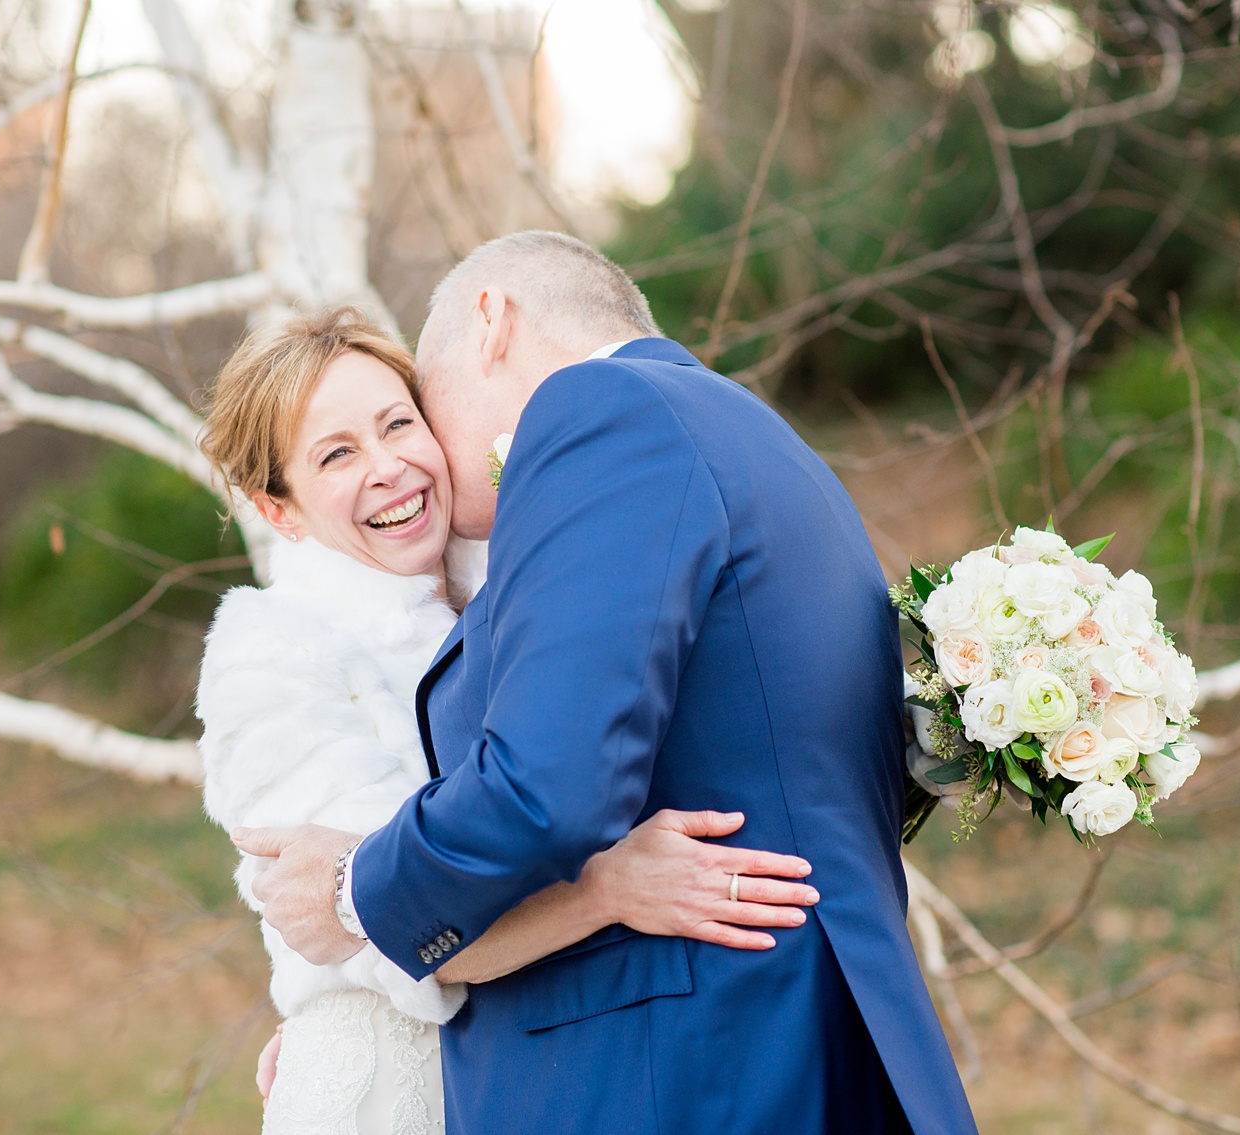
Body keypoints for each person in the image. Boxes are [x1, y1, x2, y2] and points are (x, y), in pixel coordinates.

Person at [239, 232, 980, 1134]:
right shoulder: (753, 433)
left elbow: (546, 787)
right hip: (773, 1027)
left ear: (491, 322)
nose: (415, 456)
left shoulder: (598, 412)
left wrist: (355, 888)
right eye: (337, 453)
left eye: (413, 414)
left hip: (684, 1060)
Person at [195, 308, 822, 1135]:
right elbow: (401, 927)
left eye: (398, 424)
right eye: (338, 453)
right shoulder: (271, 655)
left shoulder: (509, 585)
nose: (388, 467)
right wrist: (610, 887)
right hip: (391, 1092)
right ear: (281, 510)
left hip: (532, 1074)